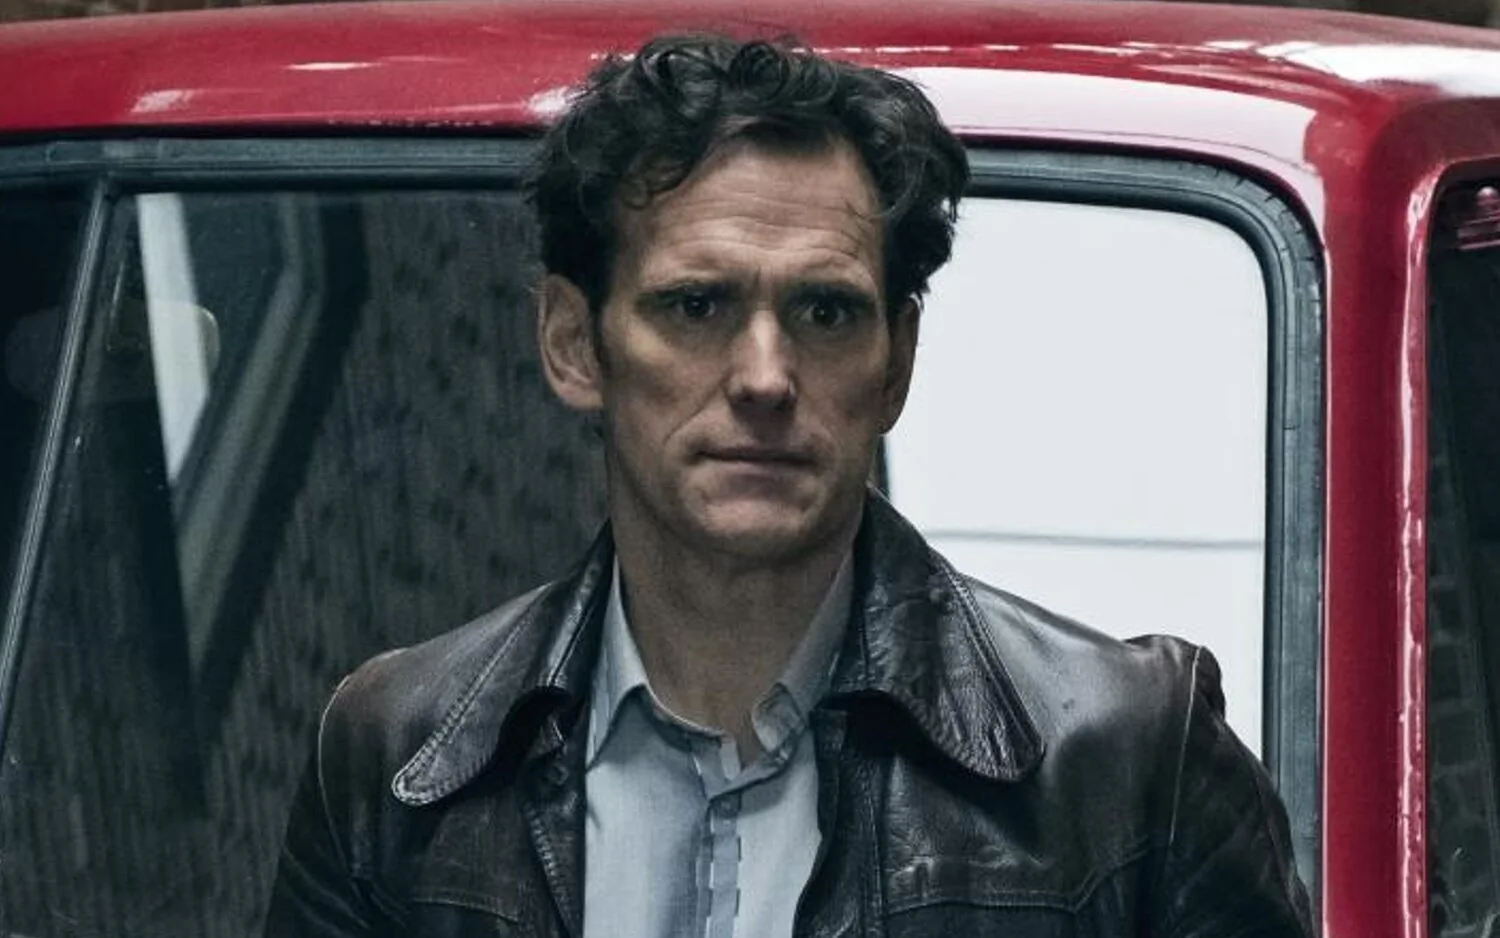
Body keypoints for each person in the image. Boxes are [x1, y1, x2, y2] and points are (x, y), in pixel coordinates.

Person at [264, 33, 1314, 938]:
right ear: (574, 343)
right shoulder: (397, 759)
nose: (764, 377)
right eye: (696, 306)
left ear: (897, 362)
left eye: (825, 312)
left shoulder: (1128, 763)